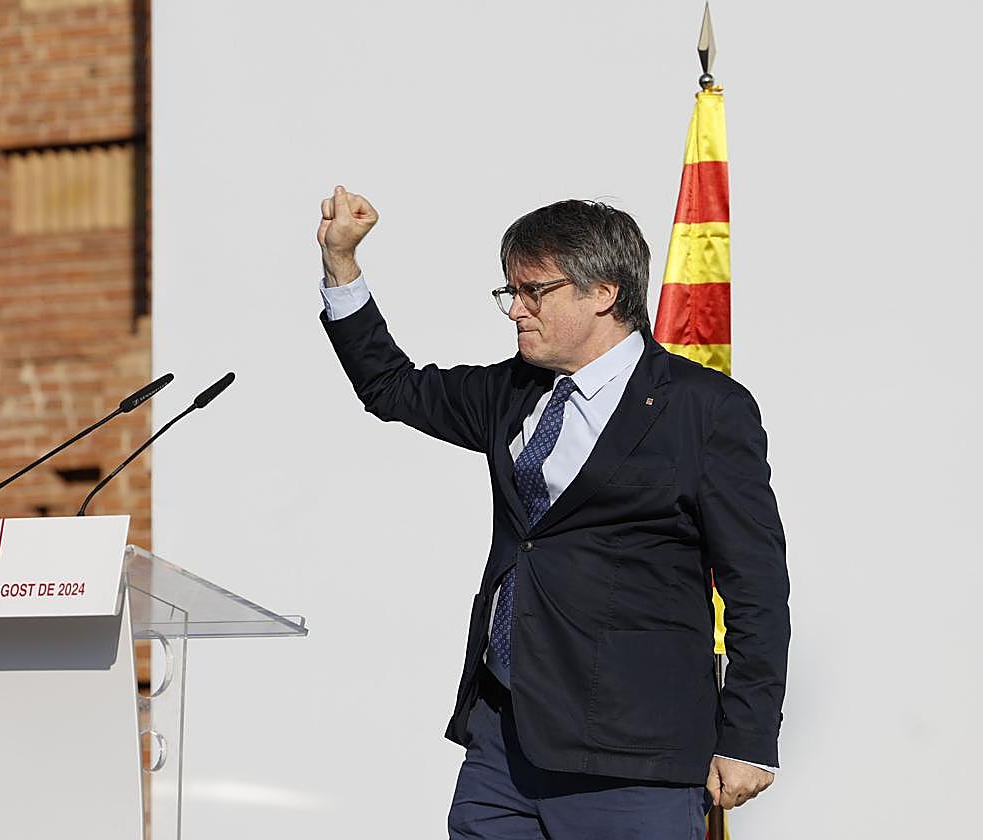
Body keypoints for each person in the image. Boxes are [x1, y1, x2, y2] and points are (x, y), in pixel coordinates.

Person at [316, 185, 789, 839]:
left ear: (604, 293)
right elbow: (390, 387)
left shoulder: (701, 409)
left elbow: (756, 583)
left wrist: (750, 733)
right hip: (503, 746)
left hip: (632, 759)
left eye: (534, 291)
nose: (515, 309)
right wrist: (342, 263)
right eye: (509, 291)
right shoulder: (511, 392)